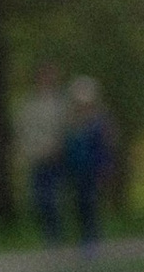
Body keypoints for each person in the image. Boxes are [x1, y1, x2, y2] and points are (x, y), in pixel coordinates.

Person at [59, 78, 116, 249]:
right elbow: (66, 149)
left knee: (91, 204)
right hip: (75, 171)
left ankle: (92, 240)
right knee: (78, 206)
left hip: (93, 171)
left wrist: (105, 168)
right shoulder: (70, 123)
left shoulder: (99, 122)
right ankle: (82, 239)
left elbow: (106, 148)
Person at [16, 66, 68, 244]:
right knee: (40, 199)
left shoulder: (60, 104)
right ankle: (49, 235)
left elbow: (66, 130)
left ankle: (57, 235)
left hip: (56, 159)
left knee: (53, 197)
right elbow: (23, 131)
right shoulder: (29, 104)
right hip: (36, 158)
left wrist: (57, 147)